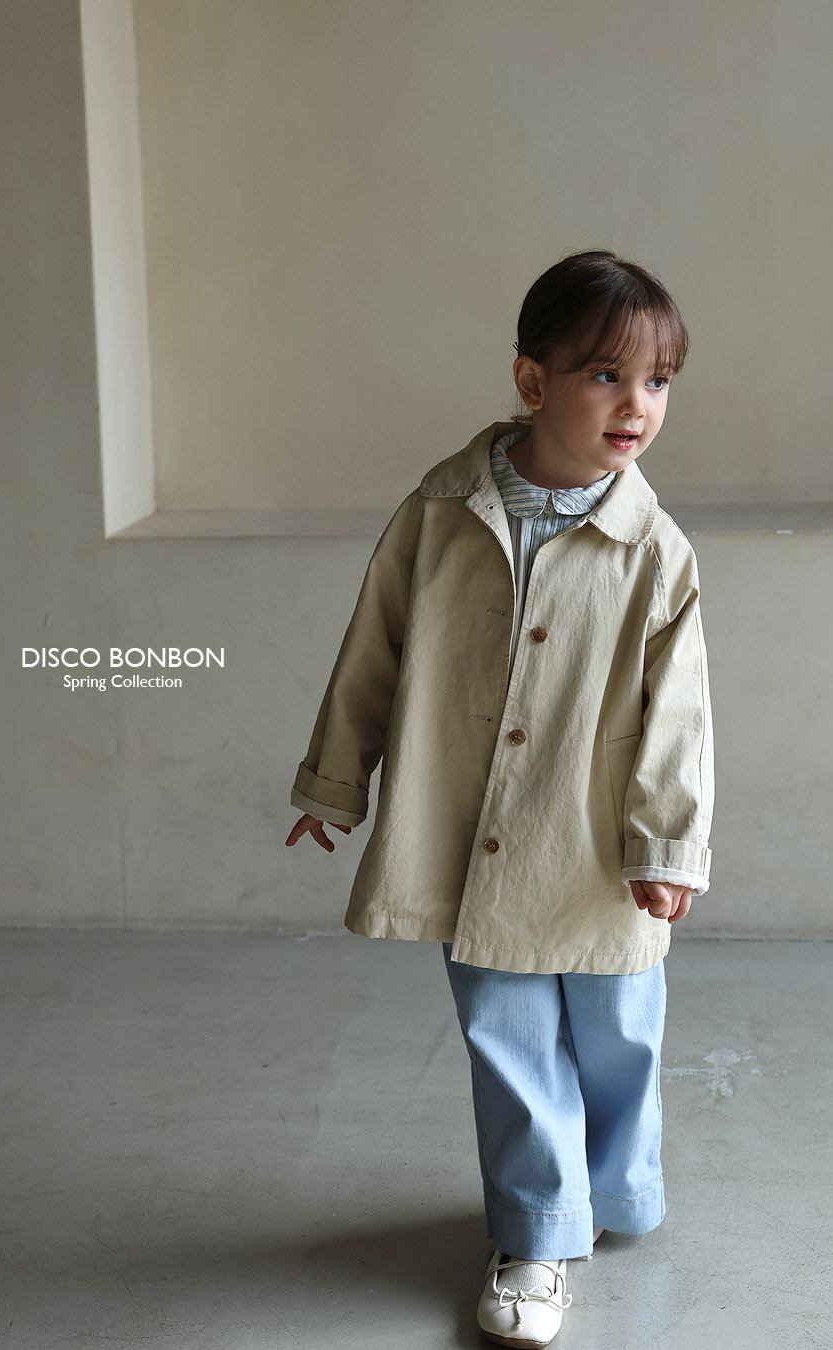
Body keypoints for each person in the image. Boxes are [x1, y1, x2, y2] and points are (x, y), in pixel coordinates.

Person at [285, 249, 715, 1347]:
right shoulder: (437, 514)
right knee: (513, 1043)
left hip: (601, 842)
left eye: (658, 380)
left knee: (618, 1038)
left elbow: (680, 716)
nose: (637, 405)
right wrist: (336, 782)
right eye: (606, 375)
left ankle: (614, 1190)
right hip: (475, 838)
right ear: (532, 380)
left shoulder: (656, 551)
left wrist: (667, 845)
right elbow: (372, 651)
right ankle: (537, 1235)